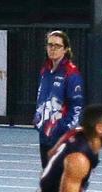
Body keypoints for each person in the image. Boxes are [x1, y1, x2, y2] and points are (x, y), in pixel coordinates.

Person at [34, 30, 85, 168]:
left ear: (65, 49)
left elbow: (76, 109)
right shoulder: (45, 71)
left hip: (61, 138)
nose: (53, 49)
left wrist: (61, 129)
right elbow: (41, 99)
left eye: (57, 46)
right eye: (50, 45)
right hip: (45, 135)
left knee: (61, 182)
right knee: (47, 180)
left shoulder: (71, 74)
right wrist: (38, 121)